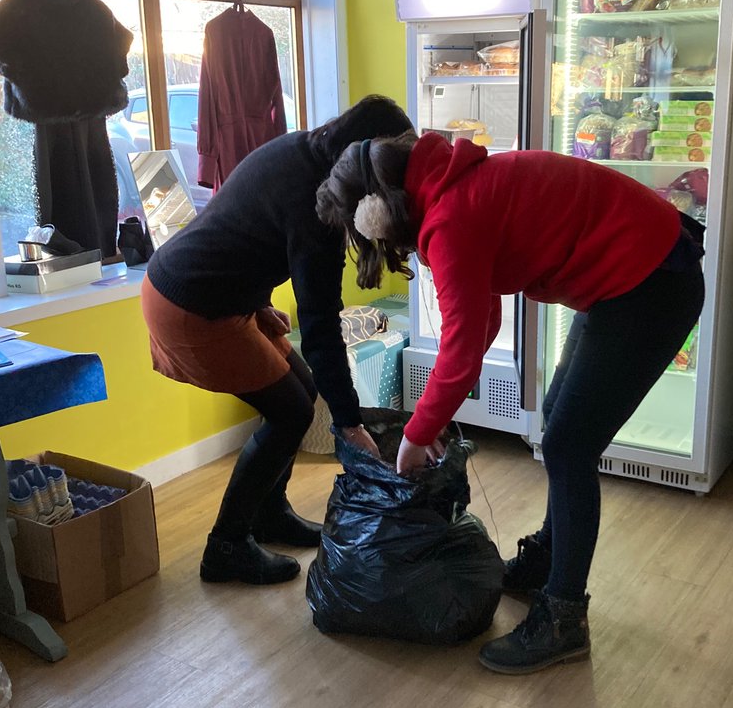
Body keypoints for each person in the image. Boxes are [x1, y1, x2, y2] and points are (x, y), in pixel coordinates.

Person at [315, 130, 704, 673]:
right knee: (560, 426)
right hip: (634, 277)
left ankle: (564, 618)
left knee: (568, 447)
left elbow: (460, 350)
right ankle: (548, 561)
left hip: (649, 283)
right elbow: (481, 320)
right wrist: (435, 418)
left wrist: (416, 435)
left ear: (375, 214)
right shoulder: (448, 190)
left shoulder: (450, 218)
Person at [141, 96, 414, 586]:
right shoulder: (318, 204)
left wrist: (256, 298)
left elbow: (245, 227)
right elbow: (321, 324)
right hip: (190, 305)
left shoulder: (301, 150)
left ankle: (269, 514)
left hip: (209, 290)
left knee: (301, 392)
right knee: (290, 411)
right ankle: (226, 545)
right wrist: (349, 424)